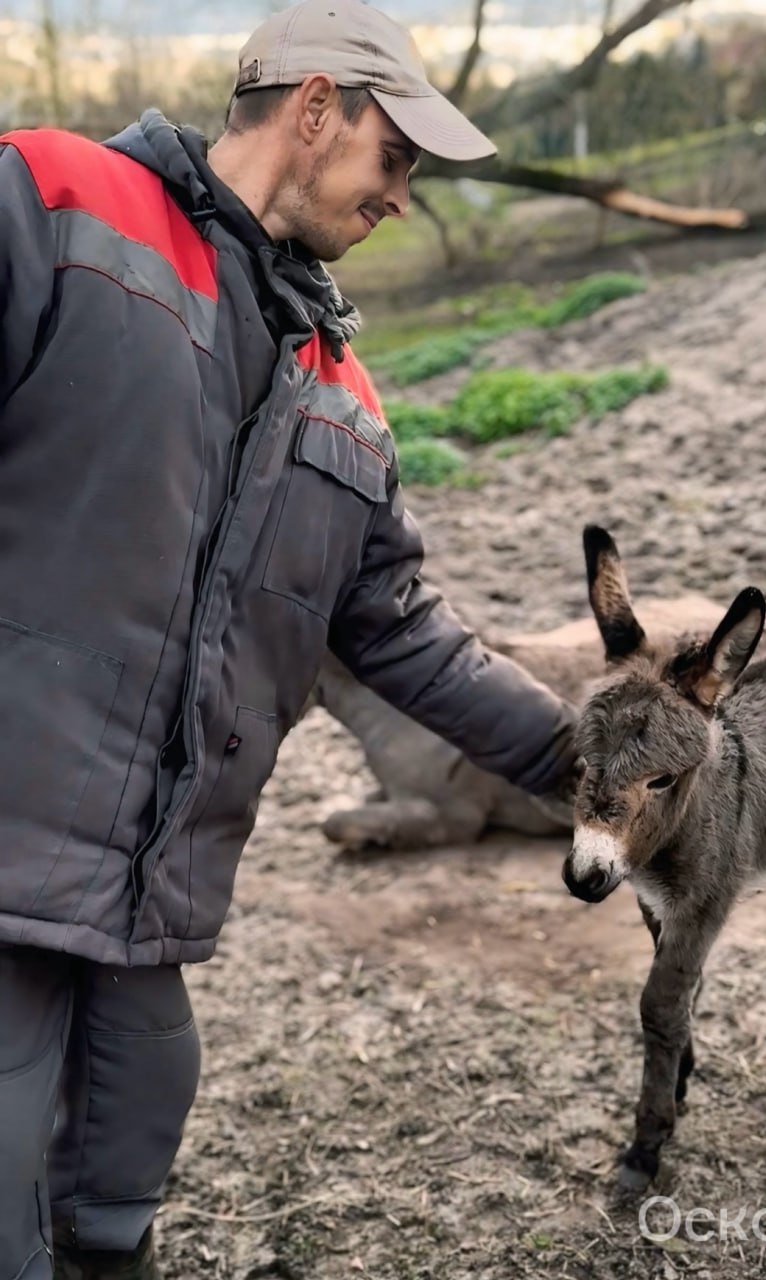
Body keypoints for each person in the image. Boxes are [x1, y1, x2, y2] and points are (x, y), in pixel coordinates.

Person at [0, 2, 578, 1275]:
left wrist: (588, 759)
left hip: (140, 897)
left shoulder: (338, 384)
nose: (401, 198)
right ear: (316, 109)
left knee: (131, 1143)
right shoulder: (53, 204)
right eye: (396, 157)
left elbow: (402, 629)